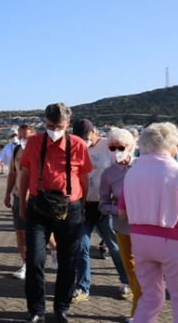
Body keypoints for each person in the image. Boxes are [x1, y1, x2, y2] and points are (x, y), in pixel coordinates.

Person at [18, 103, 93, 323]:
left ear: (68, 124)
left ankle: (61, 308)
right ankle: (36, 310)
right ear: (44, 122)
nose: (54, 130)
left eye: (59, 126)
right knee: (34, 260)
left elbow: (83, 179)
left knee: (68, 261)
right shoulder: (33, 142)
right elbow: (24, 173)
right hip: (38, 206)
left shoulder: (78, 145)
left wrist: (82, 205)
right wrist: (22, 204)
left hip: (69, 208)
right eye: (50, 125)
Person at [119, 122, 178, 322]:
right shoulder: (175, 170)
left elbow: (122, 211)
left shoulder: (132, 172)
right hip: (172, 239)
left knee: (150, 297)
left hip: (140, 239)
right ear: (171, 145)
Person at [71, 119, 130, 303]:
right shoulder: (78, 147)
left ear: (94, 131)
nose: (84, 141)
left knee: (114, 247)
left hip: (105, 205)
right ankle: (82, 287)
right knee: (81, 246)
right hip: (84, 204)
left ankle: (126, 282)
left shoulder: (108, 146)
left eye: (86, 137)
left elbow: (119, 170)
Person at [4, 124, 58, 279]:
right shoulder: (16, 151)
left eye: (26, 137)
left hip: (38, 196)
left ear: (34, 135)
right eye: (20, 137)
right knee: (20, 232)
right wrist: (7, 194)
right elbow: (13, 173)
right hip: (18, 196)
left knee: (42, 232)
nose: (22, 140)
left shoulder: (43, 150)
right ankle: (26, 264)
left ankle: (55, 250)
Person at [99, 128, 140, 322]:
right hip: (123, 227)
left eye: (120, 147)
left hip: (148, 228)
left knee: (151, 269)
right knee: (130, 268)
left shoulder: (143, 166)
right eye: (112, 148)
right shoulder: (108, 174)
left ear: (131, 147)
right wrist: (118, 211)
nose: (116, 151)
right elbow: (103, 203)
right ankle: (138, 311)